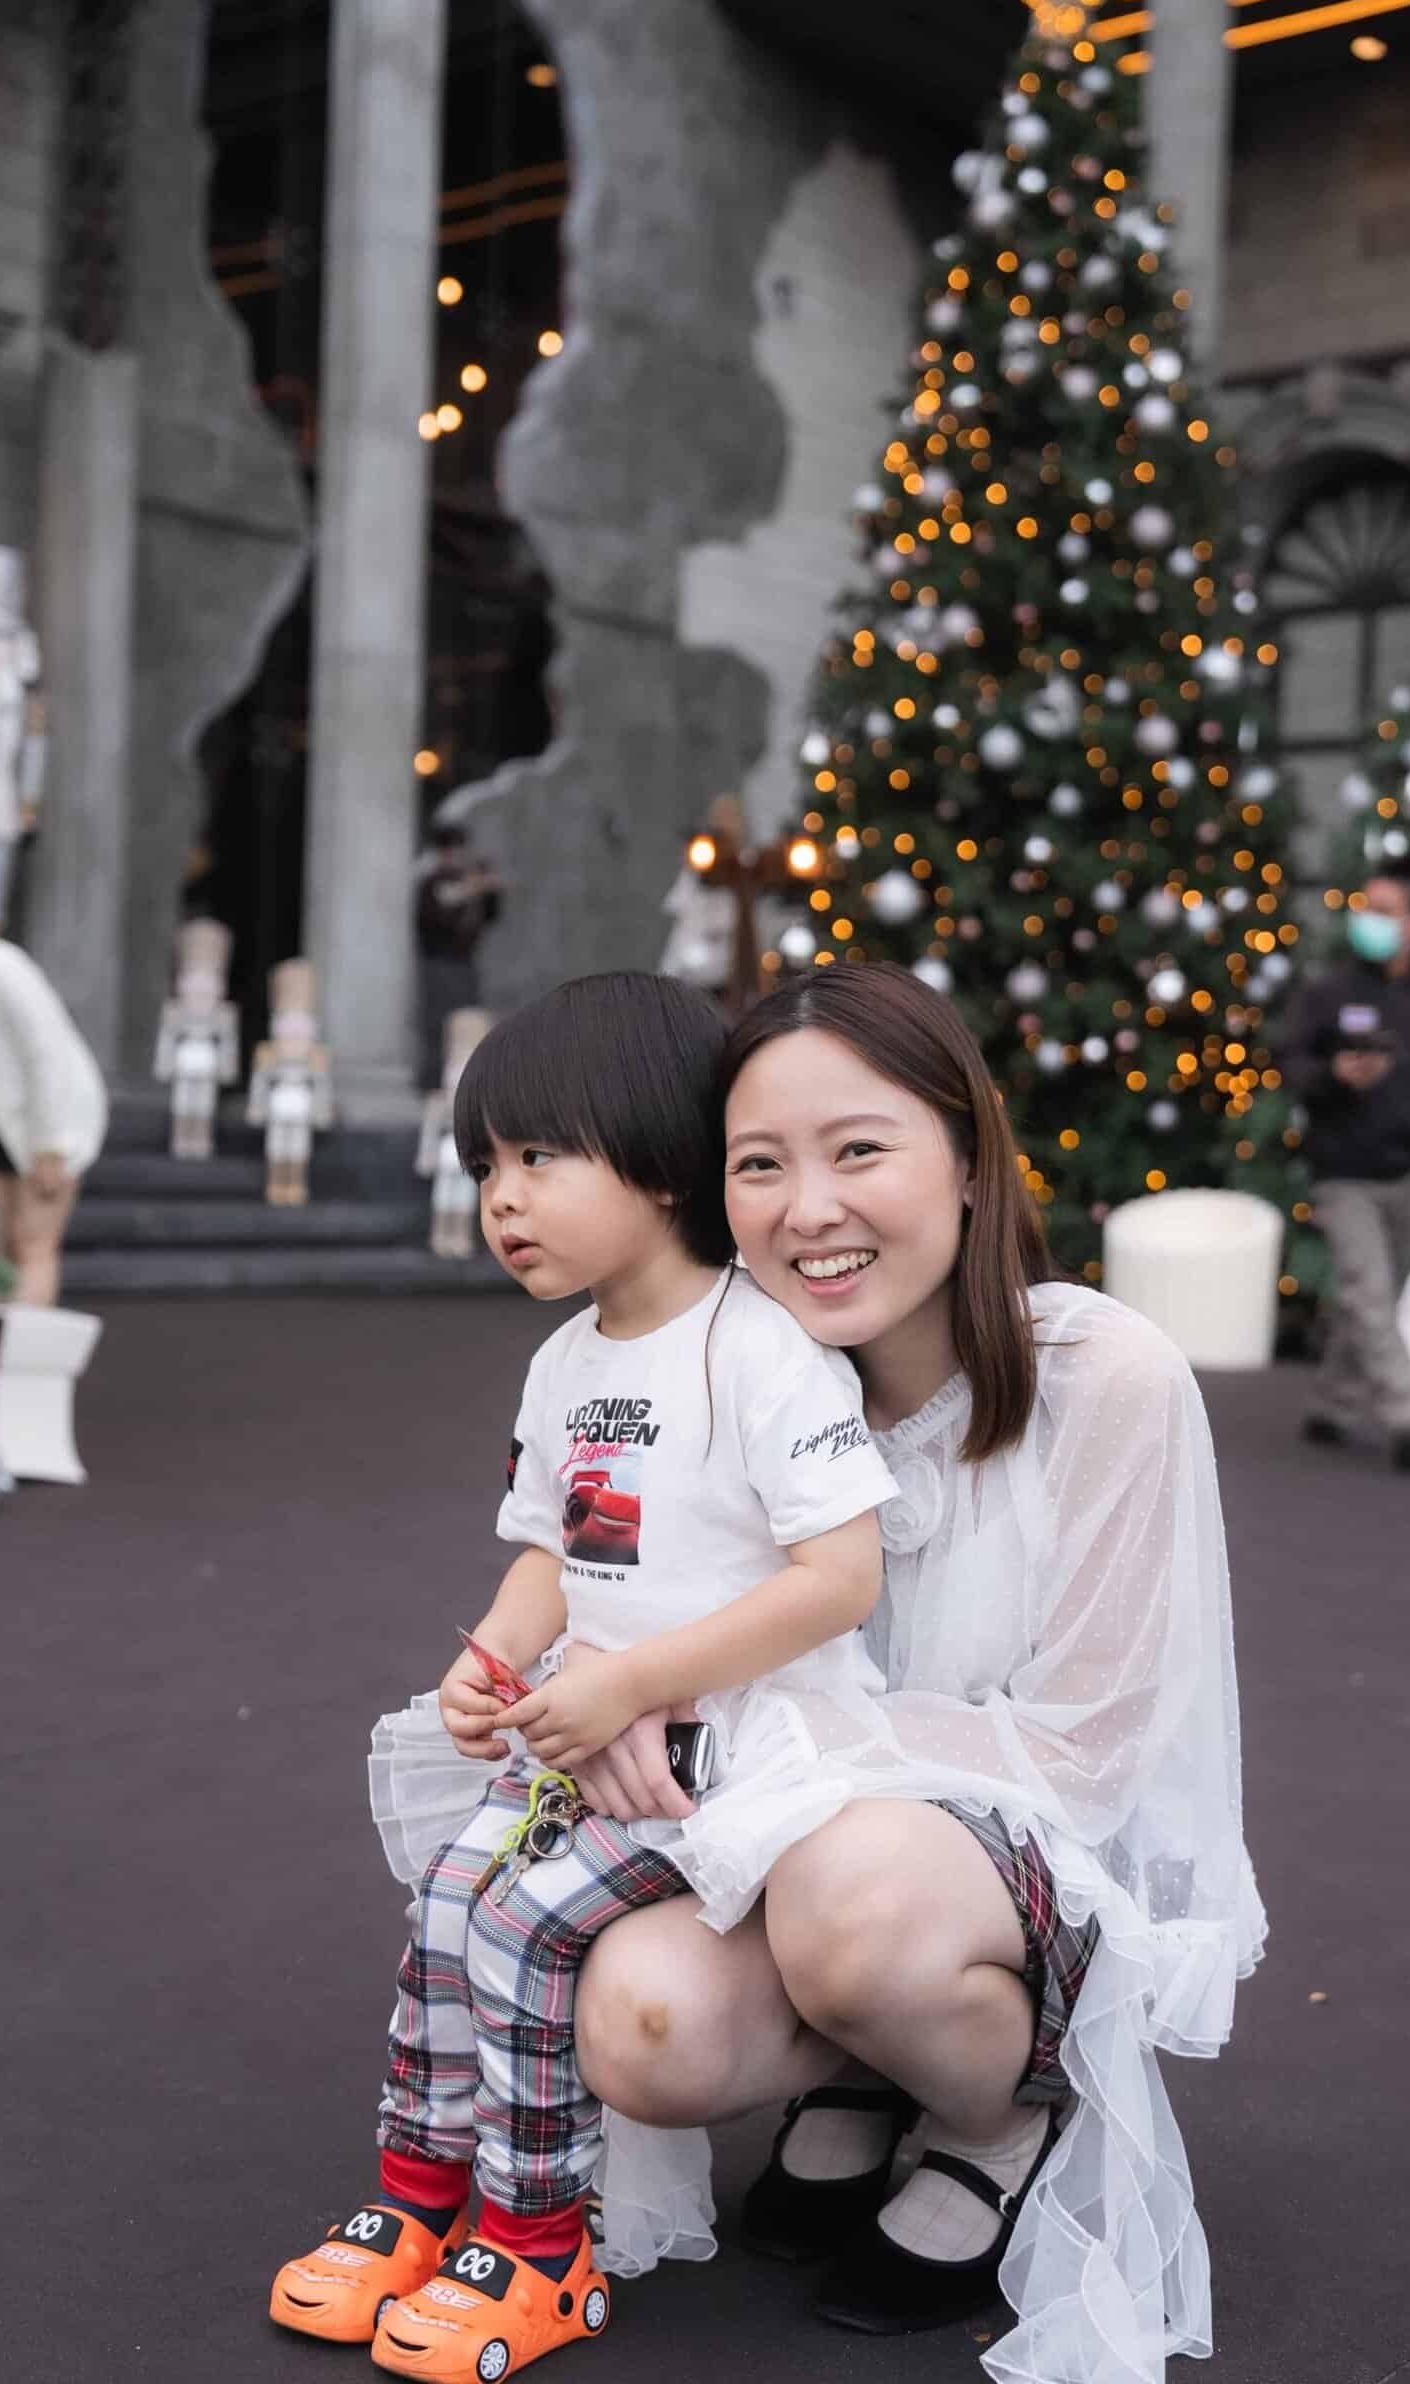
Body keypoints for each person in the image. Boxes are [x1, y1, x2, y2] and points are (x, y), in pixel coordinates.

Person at [567, 962, 1263, 2384]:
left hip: (1009, 1876)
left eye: (859, 1150)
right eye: (760, 1165)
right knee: (644, 2030)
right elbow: (599, 1582)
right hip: (794, 1844)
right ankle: (874, 2064)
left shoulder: (1103, 1375)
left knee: (856, 1893)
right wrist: (604, 1674)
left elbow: (1085, 1751)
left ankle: (997, 2119)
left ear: (967, 1161)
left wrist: (741, 1716)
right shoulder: (724, 1378)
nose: (808, 1209)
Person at [271, 971, 899, 2382]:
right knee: (448, 1902)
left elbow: (839, 1578)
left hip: (735, 1748)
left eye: (540, 1157)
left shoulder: (761, 1350)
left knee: (522, 1923)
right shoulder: (565, 1363)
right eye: (486, 1167)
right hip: (591, 1729)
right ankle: (421, 2200)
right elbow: (557, 1549)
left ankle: (540, 2243)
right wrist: (491, 1660)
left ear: (664, 1161)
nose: (504, 1199)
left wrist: (635, 1681)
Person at [1280, 858, 1410, 1471]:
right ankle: (1407, 1413)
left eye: (1384, 911)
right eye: (1365, 907)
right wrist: (1336, 1075)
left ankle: (1331, 1403)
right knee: (1369, 1290)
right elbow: (1291, 1066)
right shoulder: (1327, 993)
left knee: (1374, 1300)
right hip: (1344, 1173)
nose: (1368, 920)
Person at [0, 899, 107, 1304]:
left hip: (51, 1118)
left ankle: (25, 1345)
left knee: (32, 1245)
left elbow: (46, 1050)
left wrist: (52, 1143)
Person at [414, 820, 500, 1088]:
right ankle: (433, 1081)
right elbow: (435, 916)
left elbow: (490, 915)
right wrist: (468, 889)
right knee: (437, 1022)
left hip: (464, 962)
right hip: (438, 961)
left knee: (467, 1018)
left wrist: (486, 889)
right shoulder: (432, 883)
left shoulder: (467, 879)